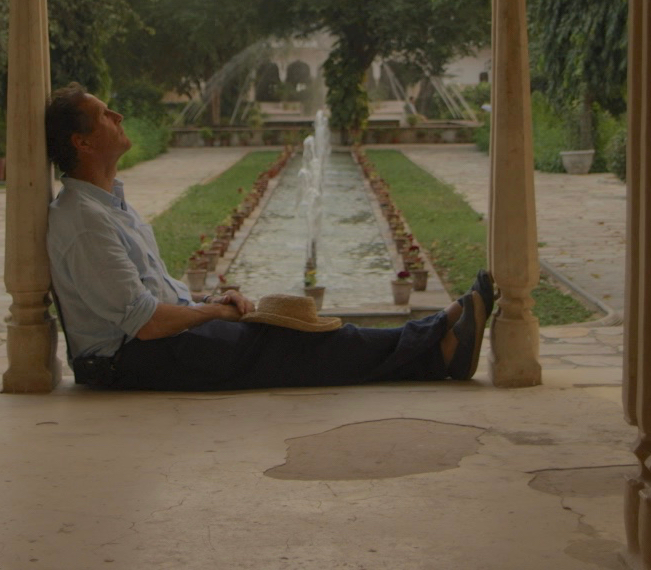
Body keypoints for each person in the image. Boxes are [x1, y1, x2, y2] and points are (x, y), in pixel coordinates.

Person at [43, 84, 497, 391]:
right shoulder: (84, 220)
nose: (118, 116)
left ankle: (438, 348)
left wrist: (213, 299)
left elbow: (155, 298)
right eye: (104, 115)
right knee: (287, 342)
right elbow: (145, 323)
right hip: (129, 360)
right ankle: (437, 340)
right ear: (81, 143)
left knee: (293, 331)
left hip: (154, 345)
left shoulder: (107, 205)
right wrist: (216, 311)